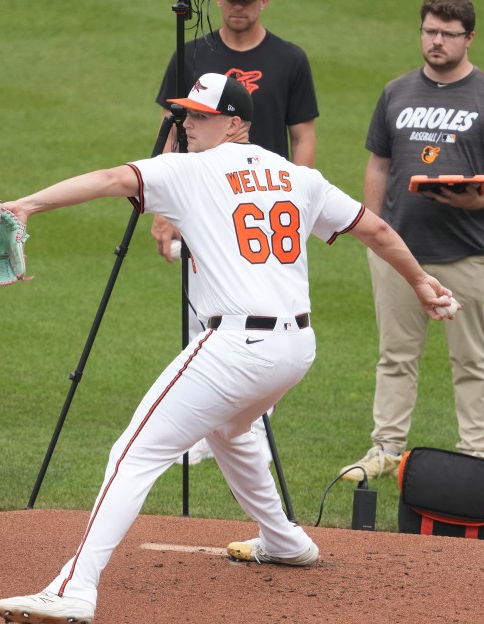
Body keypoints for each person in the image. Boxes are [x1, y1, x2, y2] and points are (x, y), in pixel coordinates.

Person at [0, 73, 458, 623]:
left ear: (234, 122)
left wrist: (28, 206)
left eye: (199, 116)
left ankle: (74, 587)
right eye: (184, 114)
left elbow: (114, 178)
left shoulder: (189, 171)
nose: (185, 124)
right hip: (296, 349)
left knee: (134, 453)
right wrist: (421, 280)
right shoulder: (296, 176)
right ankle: (284, 540)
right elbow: (375, 230)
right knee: (232, 429)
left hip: (237, 347)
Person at [339, 0, 484, 482]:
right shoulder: (396, 92)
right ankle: (386, 447)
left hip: (469, 250)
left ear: (469, 39)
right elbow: (379, 163)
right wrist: (373, 228)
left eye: (447, 33)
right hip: (401, 251)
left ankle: (474, 455)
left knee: (470, 357)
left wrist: (479, 200)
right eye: (429, 31)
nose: (436, 41)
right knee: (396, 354)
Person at [154, 0, 320, 465]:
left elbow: (302, 135)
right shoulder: (190, 55)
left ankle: (251, 431)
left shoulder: (290, 59)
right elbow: (173, 129)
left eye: (248, 0)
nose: (239, 7)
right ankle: (199, 429)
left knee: (260, 318)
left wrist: (296, 202)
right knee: (199, 312)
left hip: (259, 207)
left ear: (263, 2)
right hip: (203, 204)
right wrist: (164, 206)